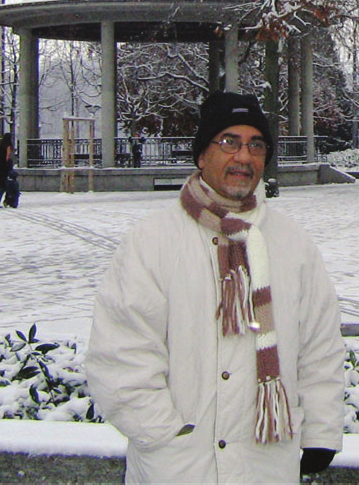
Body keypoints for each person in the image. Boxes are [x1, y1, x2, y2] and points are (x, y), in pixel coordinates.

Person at [86, 91, 345, 484]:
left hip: (266, 465)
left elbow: (320, 346)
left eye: (256, 145)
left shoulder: (294, 245)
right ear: (202, 155)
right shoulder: (151, 241)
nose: (243, 156)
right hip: (178, 468)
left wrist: (321, 430)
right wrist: (164, 433)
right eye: (229, 141)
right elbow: (121, 351)